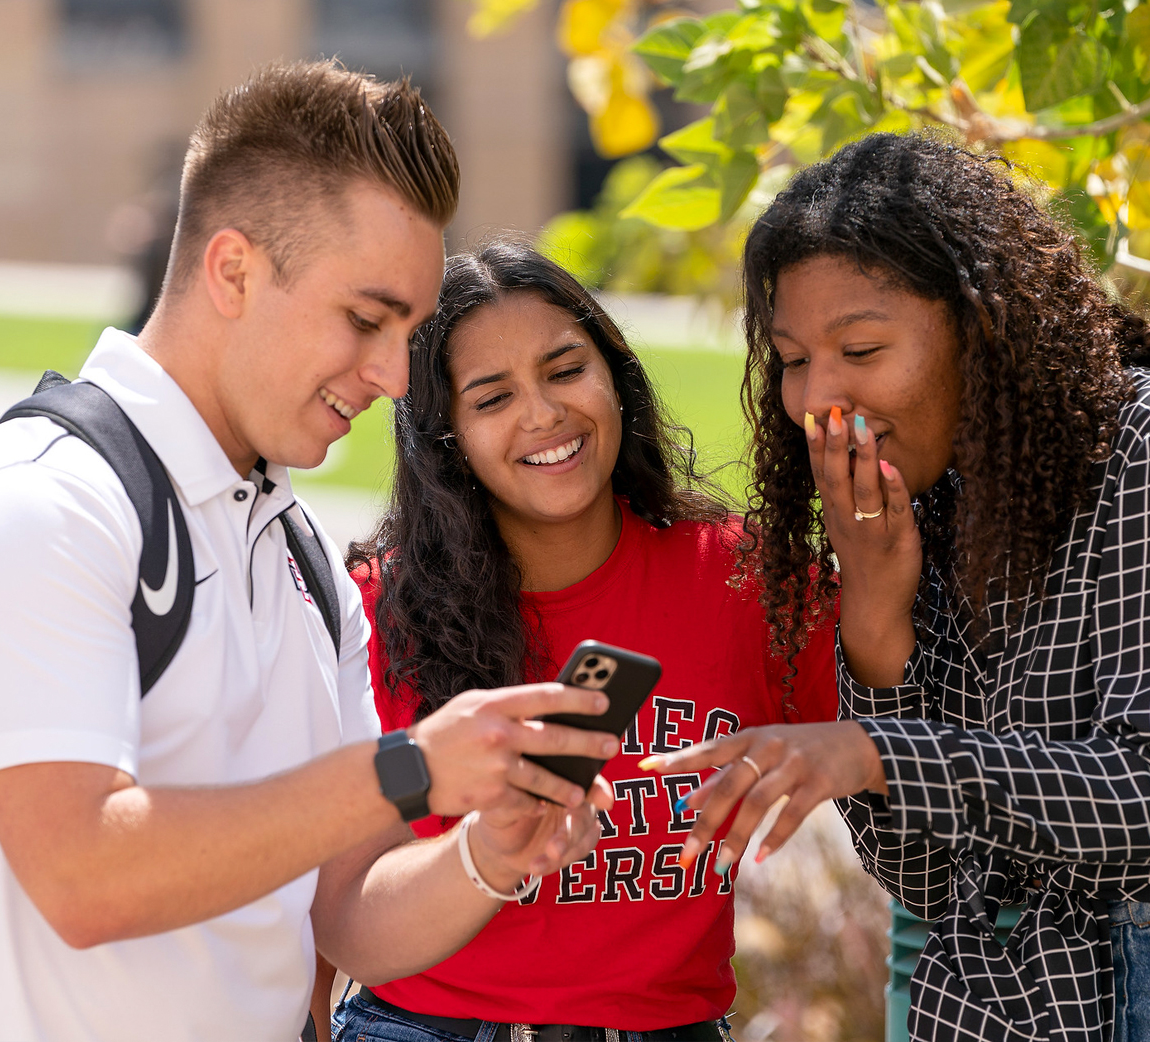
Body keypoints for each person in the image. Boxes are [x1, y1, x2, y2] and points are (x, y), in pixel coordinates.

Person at [0, 62, 623, 1042]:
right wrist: (408, 767)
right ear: (231, 269)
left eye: (407, 332)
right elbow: (81, 874)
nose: (392, 377)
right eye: (365, 319)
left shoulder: (302, 555)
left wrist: (491, 851)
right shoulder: (50, 500)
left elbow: (346, 907)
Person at [638, 132, 1150, 1042]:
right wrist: (876, 613)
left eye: (861, 347)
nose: (820, 396)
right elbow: (925, 878)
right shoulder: (923, 496)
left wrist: (869, 752)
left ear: (981, 321)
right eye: (794, 358)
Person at [328, 242, 838, 1042]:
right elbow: (343, 918)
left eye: (566, 371)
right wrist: (486, 855)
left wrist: (875, 570)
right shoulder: (376, 613)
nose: (543, 415)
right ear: (446, 437)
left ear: (616, 380)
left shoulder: (743, 582)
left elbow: (896, 733)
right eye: (492, 398)